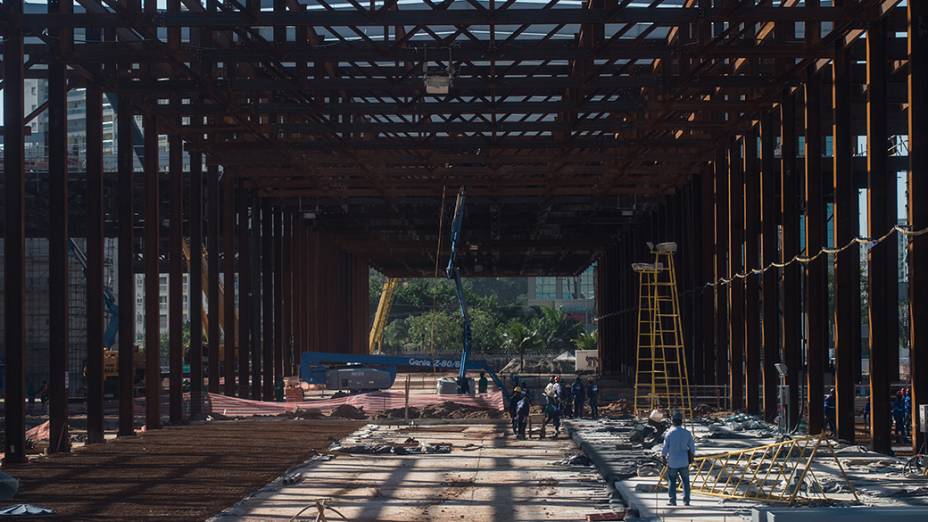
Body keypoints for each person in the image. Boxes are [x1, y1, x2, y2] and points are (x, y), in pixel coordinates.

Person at [661, 411, 696, 507]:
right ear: (681, 422)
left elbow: (665, 448)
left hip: (672, 461)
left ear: (673, 421)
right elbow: (692, 448)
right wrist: (691, 458)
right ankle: (686, 501)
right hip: (684, 461)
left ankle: (672, 501)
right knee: (685, 481)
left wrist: (663, 458)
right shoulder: (687, 433)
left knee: (672, 481)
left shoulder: (669, 433)